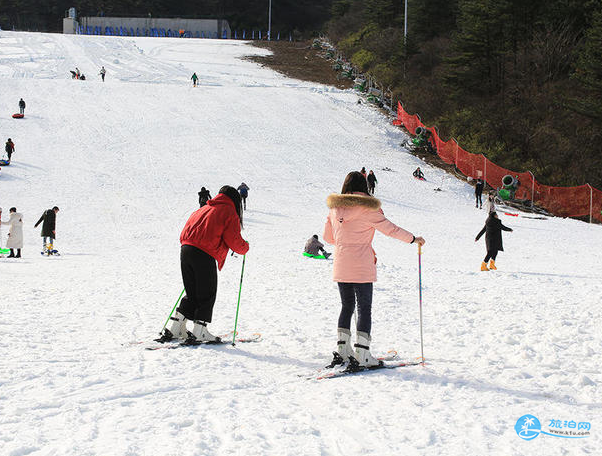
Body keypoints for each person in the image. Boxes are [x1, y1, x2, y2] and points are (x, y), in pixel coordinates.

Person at [323, 171, 425, 368]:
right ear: (365, 187)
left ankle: (343, 350)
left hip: (341, 263)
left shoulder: (334, 209)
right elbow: (391, 229)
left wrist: (347, 240)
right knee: (364, 307)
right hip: (361, 263)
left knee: (346, 306)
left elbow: (328, 238)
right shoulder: (368, 209)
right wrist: (413, 239)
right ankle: (362, 353)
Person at [157, 186, 249, 344]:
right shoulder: (228, 211)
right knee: (207, 292)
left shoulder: (205, 207)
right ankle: (200, 331)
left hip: (185, 249)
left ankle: (176, 327)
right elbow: (233, 239)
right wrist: (245, 247)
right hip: (203, 253)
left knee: (192, 292)